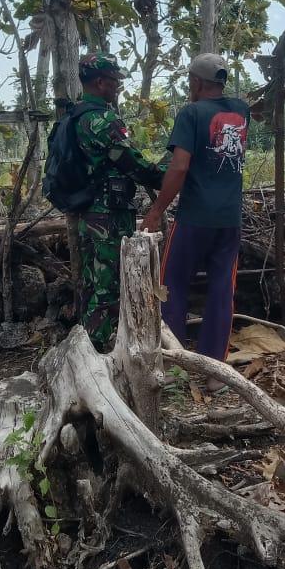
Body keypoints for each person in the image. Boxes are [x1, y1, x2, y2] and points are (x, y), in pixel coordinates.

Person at [142, 54, 250, 384]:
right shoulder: (241, 111)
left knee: (170, 284)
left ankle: (173, 363)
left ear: (196, 82)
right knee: (221, 288)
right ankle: (214, 370)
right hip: (229, 219)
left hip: (193, 218)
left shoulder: (191, 113)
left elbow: (179, 167)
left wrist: (156, 211)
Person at [74, 52, 165, 350]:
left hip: (89, 211)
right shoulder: (102, 120)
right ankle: (98, 353)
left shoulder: (76, 115)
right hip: (109, 214)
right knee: (108, 286)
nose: (118, 87)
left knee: (92, 282)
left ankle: (88, 345)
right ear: (100, 82)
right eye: (115, 82)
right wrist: (167, 171)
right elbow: (131, 163)